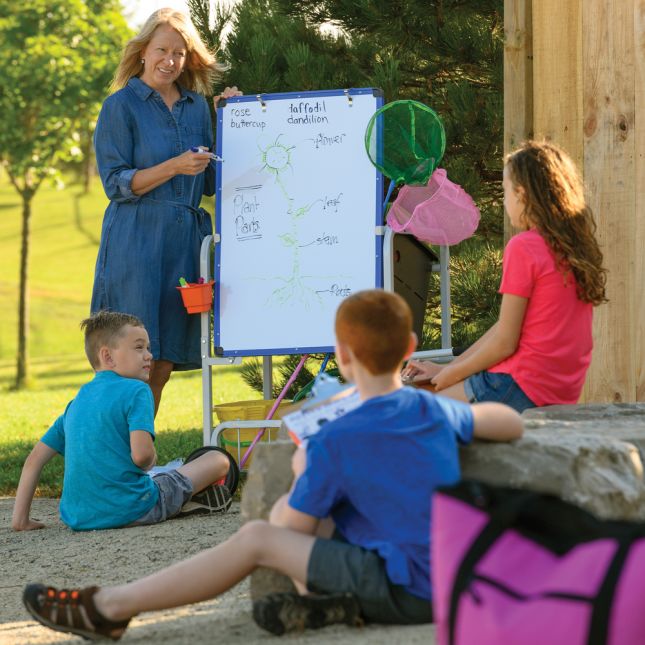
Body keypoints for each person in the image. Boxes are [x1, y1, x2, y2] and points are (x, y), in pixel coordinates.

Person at [21, 290, 523, 640]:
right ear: (410, 350)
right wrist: (463, 413)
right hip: (452, 576)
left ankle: (109, 607)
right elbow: (508, 424)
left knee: (262, 536)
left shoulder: (333, 435)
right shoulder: (432, 409)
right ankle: (322, 603)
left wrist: (305, 469)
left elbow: (292, 530)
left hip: (406, 587)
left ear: (342, 357)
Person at [91, 8, 241, 415]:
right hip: (135, 240)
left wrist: (234, 119)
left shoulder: (197, 107)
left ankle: (137, 452)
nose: (169, 60)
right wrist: (175, 165)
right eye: (161, 49)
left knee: (163, 361)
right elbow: (117, 183)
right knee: (130, 357)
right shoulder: (120, 106)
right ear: (142, 51)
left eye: (179, 52)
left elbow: (212, 182)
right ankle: (108, 453)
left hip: (182, 243)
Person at [403, 140, 608, 412]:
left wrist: (447, 376)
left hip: (519, 384)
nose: (505, 199)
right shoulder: (573, 248)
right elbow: (504, 328)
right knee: (426, 389)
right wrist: (446, 368)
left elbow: (504, 343)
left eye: (505, 190)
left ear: (521, 194)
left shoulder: (524, 247)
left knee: (410, 409)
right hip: (558, 388)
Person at [11, 311, 232, 533]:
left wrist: (20, 520)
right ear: (107, 356)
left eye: (148, 348)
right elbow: (142, 457)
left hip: (79, 518)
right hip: (134, 508)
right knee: (218, 459)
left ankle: (184, 502)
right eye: (139, 347)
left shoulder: (76, 403)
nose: (148, 356)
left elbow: (33, 461)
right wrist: (151, 460)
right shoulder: (137, 391)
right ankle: (183, 501)